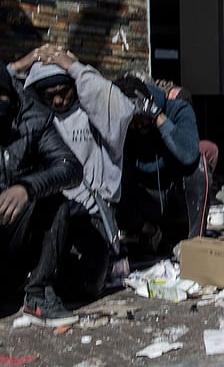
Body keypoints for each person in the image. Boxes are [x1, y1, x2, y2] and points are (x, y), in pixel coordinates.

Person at [9, 46, 132, 298]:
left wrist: (74, 67)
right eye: (48, 95)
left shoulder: (92, 113)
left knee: (86, 287)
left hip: (89, 213)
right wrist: (20, 66)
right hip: (49, 212)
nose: (57, 100)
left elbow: (120, 108)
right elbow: (5, 91)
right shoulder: (36, 118)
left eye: (63, 92)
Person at [0, 63, 82, 324]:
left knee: (55, 203)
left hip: (14, 233)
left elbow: (69, 167)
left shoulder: (34, 117)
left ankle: (37, 295)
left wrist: (26, 187)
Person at [113, 74, 205, 258]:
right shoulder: (121, 126)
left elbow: (188, 155)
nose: (139, 125)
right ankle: (150, 234)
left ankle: (196, 243)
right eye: (133, 120)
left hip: (175, 198)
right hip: (146, 203)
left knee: (200, 167)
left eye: (141, 118)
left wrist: (157, 117)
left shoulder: (178, 110)